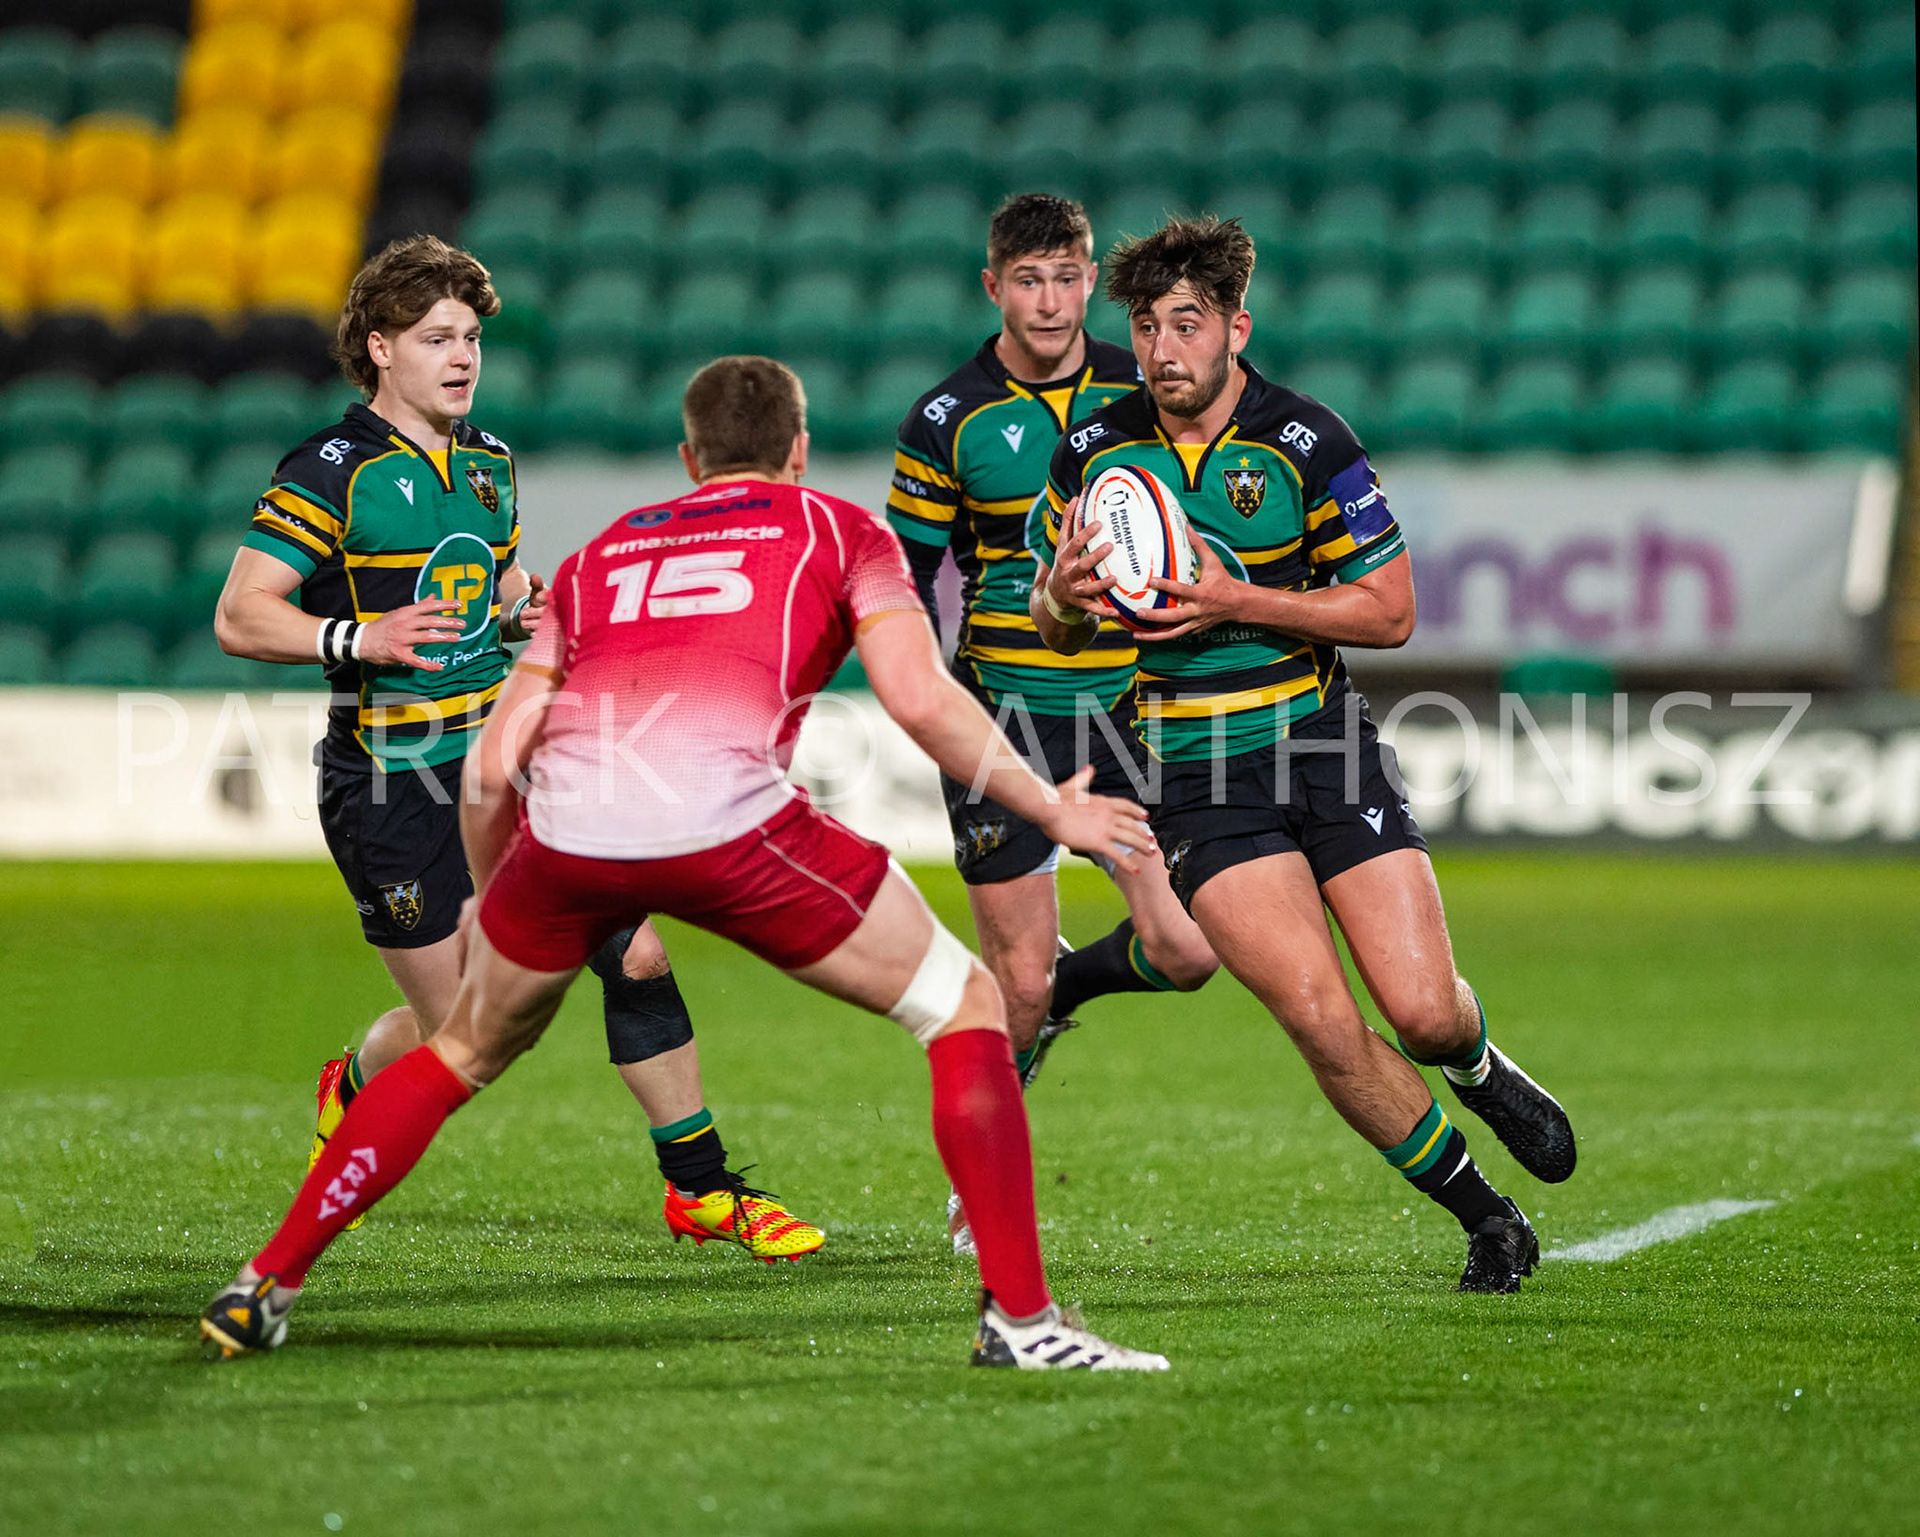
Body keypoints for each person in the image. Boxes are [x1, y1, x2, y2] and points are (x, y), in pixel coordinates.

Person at [200, 356, 1170, 1371]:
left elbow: (492, 764)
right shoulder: (841, 531)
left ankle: (265, 1282)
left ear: (688, 457)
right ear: (799, 449)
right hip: (727, 823)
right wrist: (1047, 802)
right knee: (965, 1006)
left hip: (570, 837)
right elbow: (921, 700)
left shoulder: (601, 556)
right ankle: (1020, 1322)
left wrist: (497, 892)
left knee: (460, 1052)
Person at [213, 236, 820, 1261]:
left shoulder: (488, 462)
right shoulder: (332, 471)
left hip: (506, 762)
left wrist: (522, 605)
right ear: (380, 348)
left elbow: (493, 580)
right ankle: (355, 1081)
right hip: (390, 781)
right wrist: (361, 637)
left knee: (636, 952)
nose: (462, 357)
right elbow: (240, 613)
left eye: (471, 338)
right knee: (469, 1028)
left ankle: (703, 1189)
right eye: (436, 338)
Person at [1030, 218, 1576, 1293]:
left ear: (1237, 328)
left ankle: (1474, 1061)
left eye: (1187, 323)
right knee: (1321, 1020)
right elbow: (1058, 627)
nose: (1162, 350)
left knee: (1421, 1012)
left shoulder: (1305, 440)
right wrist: (1063, 596)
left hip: (1321, 744)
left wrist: (1237, 598)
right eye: (1145, 328)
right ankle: (1488, 1217)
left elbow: (1392, 611)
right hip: (1192, 770)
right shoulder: (1091, 454)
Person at [887, 193, 1218, 1252]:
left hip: (1127, 711)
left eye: (1067, 277)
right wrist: (920, 697)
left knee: (1188, 947)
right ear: (994, 287)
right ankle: (979, 1178)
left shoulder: (1141, 388)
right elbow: (900, 580)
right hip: (1003, 719)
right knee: (1017, 984)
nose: (1049, 300)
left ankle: (1058, 988)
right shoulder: (947, 419)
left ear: (1089, 283)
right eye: (1027, 280)